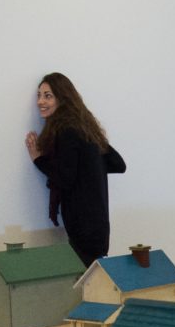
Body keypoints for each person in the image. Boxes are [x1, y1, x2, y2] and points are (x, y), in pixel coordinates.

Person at [23, 72, 125, 266]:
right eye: (39, 95)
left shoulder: (67, 131)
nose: (40, 101)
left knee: (87, 284)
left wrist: (38, 159)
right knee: (95, 278)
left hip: (83, 224)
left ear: (63, 99)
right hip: (99, 221)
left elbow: (65, 178)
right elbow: (118, 164)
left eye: (48, 96)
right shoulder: (85, 129)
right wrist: (90, 165)